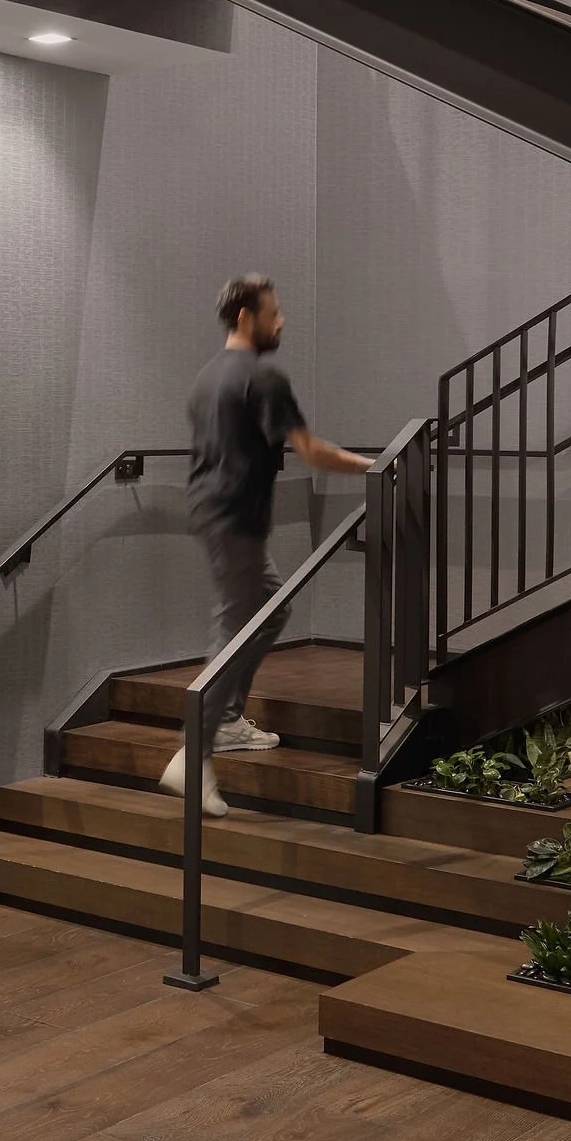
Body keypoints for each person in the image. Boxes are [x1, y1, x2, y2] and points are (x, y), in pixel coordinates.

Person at [163, 274, 371, 815]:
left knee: (272, 610)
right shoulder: (263, 376)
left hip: (213, 512)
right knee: (234, 626)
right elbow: (311, 451)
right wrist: (375, 465)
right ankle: (193, 753)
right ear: (245, 316)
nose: (281, 321)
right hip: (235, 516)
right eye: (273, 313)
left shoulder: (207, 377)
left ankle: (227, 720)